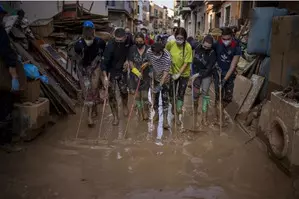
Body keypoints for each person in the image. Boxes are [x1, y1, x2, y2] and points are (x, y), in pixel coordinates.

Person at [74, 20, 106, 127]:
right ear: (83, 31)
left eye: (90, 29)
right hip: (83, 69)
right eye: (86, 29)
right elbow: (78, 61)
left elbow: (102, 57)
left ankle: (95, 106)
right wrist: (83, 72)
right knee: (87, 92)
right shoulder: (78, 45)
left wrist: (103, 76)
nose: (88, 32)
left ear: (93, 30)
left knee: (95, 88)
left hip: (95, 67)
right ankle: (89, 117)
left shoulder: (100, 42)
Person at [0, 5, 22, 152]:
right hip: (2, 79)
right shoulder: (0, 32)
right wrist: (14, 77)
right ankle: (5, 142)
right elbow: (7, 55)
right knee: (5, 108)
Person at [101, 28, 132, 126]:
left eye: (121, 40)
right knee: (111, 95)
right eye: (117, 40)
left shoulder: (129, 40)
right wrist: (105, 78)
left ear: (125, 37)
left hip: (122, 70)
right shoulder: (110, 45)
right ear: (114, 37)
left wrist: (128, 60)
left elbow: (131, 51)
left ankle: (125, 105)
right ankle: (115, 116)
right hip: (111, 71)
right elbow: (104, 64)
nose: (119, 42)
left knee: (123, 90)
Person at [213, 27, 241, 126]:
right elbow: (212, 55)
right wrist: (215, 64)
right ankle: (219, 119)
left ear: (232, 37)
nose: (225, 41)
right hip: (218, 73)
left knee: (228, 98)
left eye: (228, 39)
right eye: (223, 39)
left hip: (229, 74)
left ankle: (220, 109)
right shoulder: (217, 43)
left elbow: (233, 66)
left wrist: (225, 79)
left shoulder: (236, 46)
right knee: (218, 97)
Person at [166, 27, 192, 125]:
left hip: (184, 74)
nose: (179, 40)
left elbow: (186, 63)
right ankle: (173, 106)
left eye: (181, 38)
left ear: (185, 38)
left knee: (180, 94)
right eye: (177, 38)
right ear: (175, 36)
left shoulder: (188, 47)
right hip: (171, 72)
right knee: (171, 93)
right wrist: (169, 60)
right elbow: (165, 52)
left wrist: (178, 74)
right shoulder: (171, 43)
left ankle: (177, 114)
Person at [190, 35, 216, 126]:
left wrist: (198, 74)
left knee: (205, 94)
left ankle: (204, 117)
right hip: (196, 73)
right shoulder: (197, 47)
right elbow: (189, 41)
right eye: (204, 46)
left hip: (206, 75)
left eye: (208, 47)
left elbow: (209, 69)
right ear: (202, 42)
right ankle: (195, 112)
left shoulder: (212, 53)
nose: (205, 48)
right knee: (195, 94)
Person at [147, 43, 171, 129]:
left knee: (165, 99)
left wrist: (160, 85)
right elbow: (149, 62)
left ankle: (165, 120)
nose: (157, 55)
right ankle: (156, 113)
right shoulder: (149, 51)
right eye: (155, 53)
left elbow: (165, 74)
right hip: (154, 75)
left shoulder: (167, 56)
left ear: (162, 51)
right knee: (155, 97)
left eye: (159, 53)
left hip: (165, 77)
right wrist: (150, 70)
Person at [128, 32, 151, 120]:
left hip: (146, 76)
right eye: (137, 42)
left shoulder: (149, 49)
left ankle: (145, 111)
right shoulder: (132, 49)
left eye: (141, 41)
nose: (139, 43)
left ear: (144, 40)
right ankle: (140, 112)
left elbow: (152, 60)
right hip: (134, 76)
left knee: (145, 96)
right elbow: (130, 63)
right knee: (137, 96)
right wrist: (136, 72)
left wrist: (147, 63)